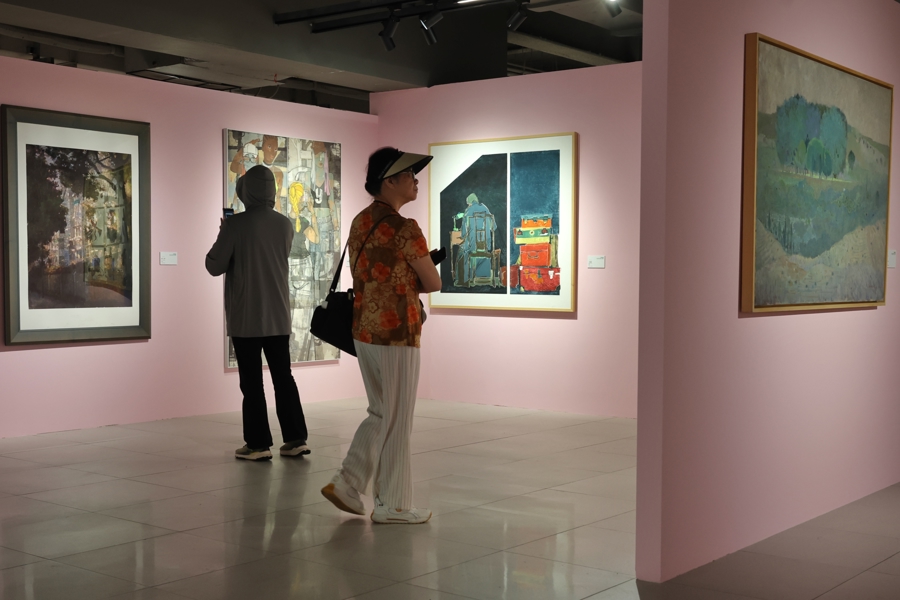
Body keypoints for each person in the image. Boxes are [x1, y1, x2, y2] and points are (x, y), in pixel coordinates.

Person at [321, 147, 442, 524]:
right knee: (398, 416)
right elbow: (433, 282)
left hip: (363, 329)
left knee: (381, 410)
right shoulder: (406, 228)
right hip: (398, 333)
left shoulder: (361, 221)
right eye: (409, 175)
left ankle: (348, 482)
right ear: (390, 181)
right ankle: (393, 504)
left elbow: (375, 273)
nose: (415, 181)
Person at [205, 165, 311, 461]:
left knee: (252, 382)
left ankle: (258, 444)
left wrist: (224, 232)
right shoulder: (285, 224)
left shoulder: (236, 225)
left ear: (245, 190)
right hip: (278, 315)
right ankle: (295, 438)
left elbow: (214, 265)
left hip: (247, 316)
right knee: (283, 378)